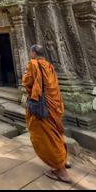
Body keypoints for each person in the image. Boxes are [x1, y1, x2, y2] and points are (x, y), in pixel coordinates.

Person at [22, 44, 72, 184]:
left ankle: (61, 171)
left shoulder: (33, 64)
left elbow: (27, 82)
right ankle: (63, 159)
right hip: (54, 106)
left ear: (33, 53)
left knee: (45, 137)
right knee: (55, 133)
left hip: (42, 107)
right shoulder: (49, 66)